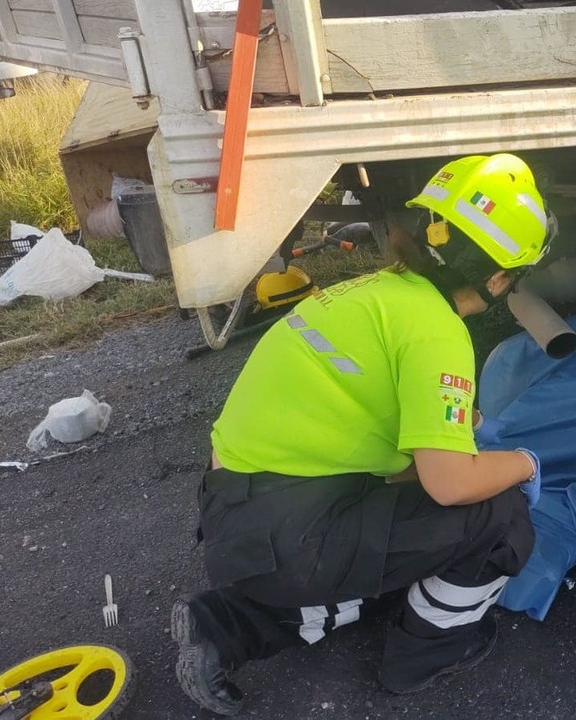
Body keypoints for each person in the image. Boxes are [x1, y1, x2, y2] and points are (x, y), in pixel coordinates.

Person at [172, 153, 551, 715]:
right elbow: (448, 484)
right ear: (499, 277)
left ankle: (225, 626)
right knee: (499, 515)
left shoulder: (373, 294)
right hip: (291, 534)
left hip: (235, 511)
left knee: (402, 524)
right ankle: (426, 654)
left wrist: (441, 432)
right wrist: (524, 463)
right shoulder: (436, 332)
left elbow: (386, 447)